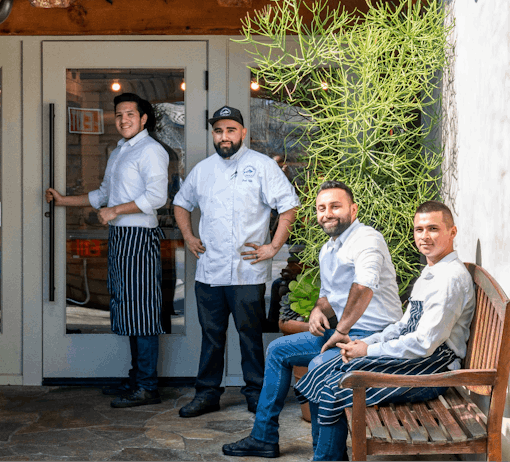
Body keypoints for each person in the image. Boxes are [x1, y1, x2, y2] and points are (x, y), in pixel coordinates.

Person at [223, 180, 403, 459]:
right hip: (347, 331)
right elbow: (329, 294)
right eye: (321, 208)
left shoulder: (367, 239)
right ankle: (264, 437)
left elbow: (364, 285)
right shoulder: (329, 248)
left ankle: (327, 455)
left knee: (319, 364)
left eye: (335, 206)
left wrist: (340, 329)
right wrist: (319, 310)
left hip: (374, 334)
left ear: (353, 210)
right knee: (278, 350)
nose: (327, 213)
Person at [297, 200, 475, 461]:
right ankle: (327, 456)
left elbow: (425, 343)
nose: (424, 237)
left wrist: (369, 350)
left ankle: (326, 458)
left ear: (452, 232)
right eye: (419, 230)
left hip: (432, 370)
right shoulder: (432, 271)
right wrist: (367, 343)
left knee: (337, 384)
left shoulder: (450, 279)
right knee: (326, 368)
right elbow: (404, 326)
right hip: (416, 360)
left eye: (433, 229)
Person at [173, 106, 299, 416]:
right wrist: (189, 237)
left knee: (250, 336)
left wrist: (273, 246)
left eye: (231, 130)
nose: (224, 136)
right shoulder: (203, 170)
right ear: (213, 134)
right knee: (212, 337)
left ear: (243, 133)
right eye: (218, 130)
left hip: (248, 272)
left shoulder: (262, 166)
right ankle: (206, 394)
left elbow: (288, 206)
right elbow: (180, 203)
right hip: (210, 271)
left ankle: (256, 393)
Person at [45, 92, 169, 408]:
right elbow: (103, 195)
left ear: (143, 119)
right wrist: (63, 201)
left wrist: (116, 212)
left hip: (139, 238)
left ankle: (147, 386)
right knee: (128, 307)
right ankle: (136, 379)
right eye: (119, 115)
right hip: (120, 238)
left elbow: (156, 198)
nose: (123, 119)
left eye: (130, 114)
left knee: (141, 310)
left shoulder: (151, 151)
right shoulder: (119, 152)